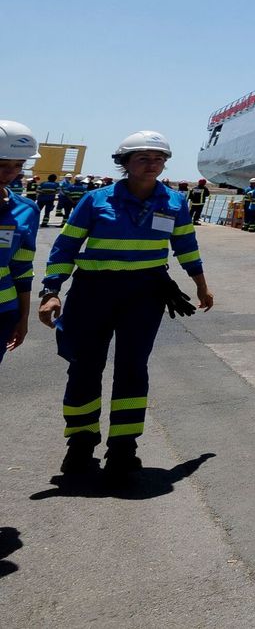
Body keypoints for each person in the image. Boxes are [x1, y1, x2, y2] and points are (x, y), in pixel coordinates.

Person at [38, 130, 215, 478]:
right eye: (143, 158)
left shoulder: (175, 203)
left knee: (133, 369)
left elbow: (186, 248)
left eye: (159, 159)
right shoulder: (96, 200)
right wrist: (51, 290)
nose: (152, 165)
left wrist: (202, 286)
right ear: (125, 163)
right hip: (93, 293)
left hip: (145, 295)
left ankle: (123, 448)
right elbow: (65, 248)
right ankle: (80, 443)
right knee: (84, 367)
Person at [0, 121, 40, 366]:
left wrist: (23, 317)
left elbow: (22, 269)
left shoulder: (27, 210)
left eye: (19, 165)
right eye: (3, 165)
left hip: (3, 312)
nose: (11, 173)